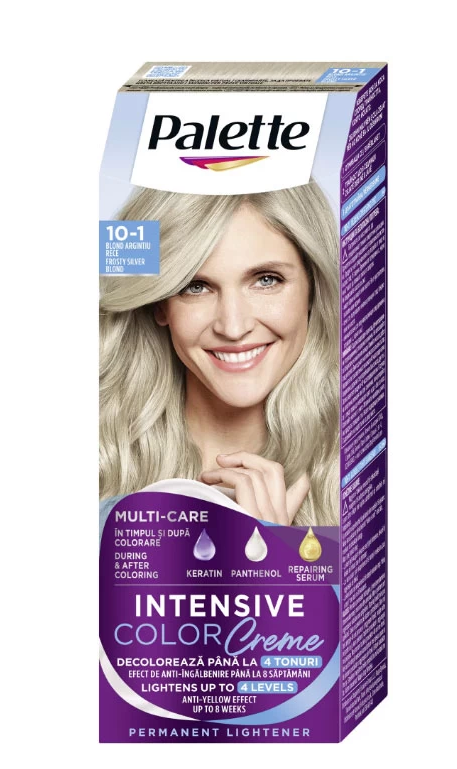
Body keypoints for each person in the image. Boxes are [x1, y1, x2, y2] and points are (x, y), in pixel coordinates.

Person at [100, 180, 339, 526]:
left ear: (313, 289)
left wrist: (272, 549)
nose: (233, 327)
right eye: (196, 287)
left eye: (266, 280)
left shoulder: (366, 470)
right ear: (159, 302)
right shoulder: (100, 458)